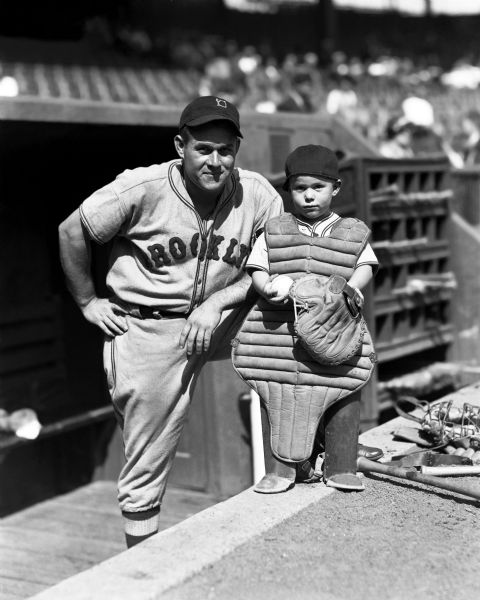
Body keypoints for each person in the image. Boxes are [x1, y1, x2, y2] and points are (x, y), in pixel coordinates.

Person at [58, 96, 283, 547]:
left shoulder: (256, 192)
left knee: (310, 317)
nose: (215, 161)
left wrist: (219, 302)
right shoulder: (141, 187)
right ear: (180, 145)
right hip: (148, 325)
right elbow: (71, 231)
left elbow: (277, 261)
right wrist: (87, 302)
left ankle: (303, 472)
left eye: (225, 150)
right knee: (146, 458)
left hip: (224, 317)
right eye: (204, 148)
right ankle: (145, 564)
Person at [243, 144, 381, 493]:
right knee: (275, 390)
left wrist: (351, 287)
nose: (308, 196)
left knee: (344, 388)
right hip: (278, 334)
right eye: (300, 188)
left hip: (336, 328)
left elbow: (365, 265)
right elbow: (257, 268)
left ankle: (341, 465)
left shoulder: (351, 231)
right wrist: (268, 286)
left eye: (317, 188)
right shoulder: (273, 230)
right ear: (288, 190)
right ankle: (285, 469)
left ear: (335, 188)